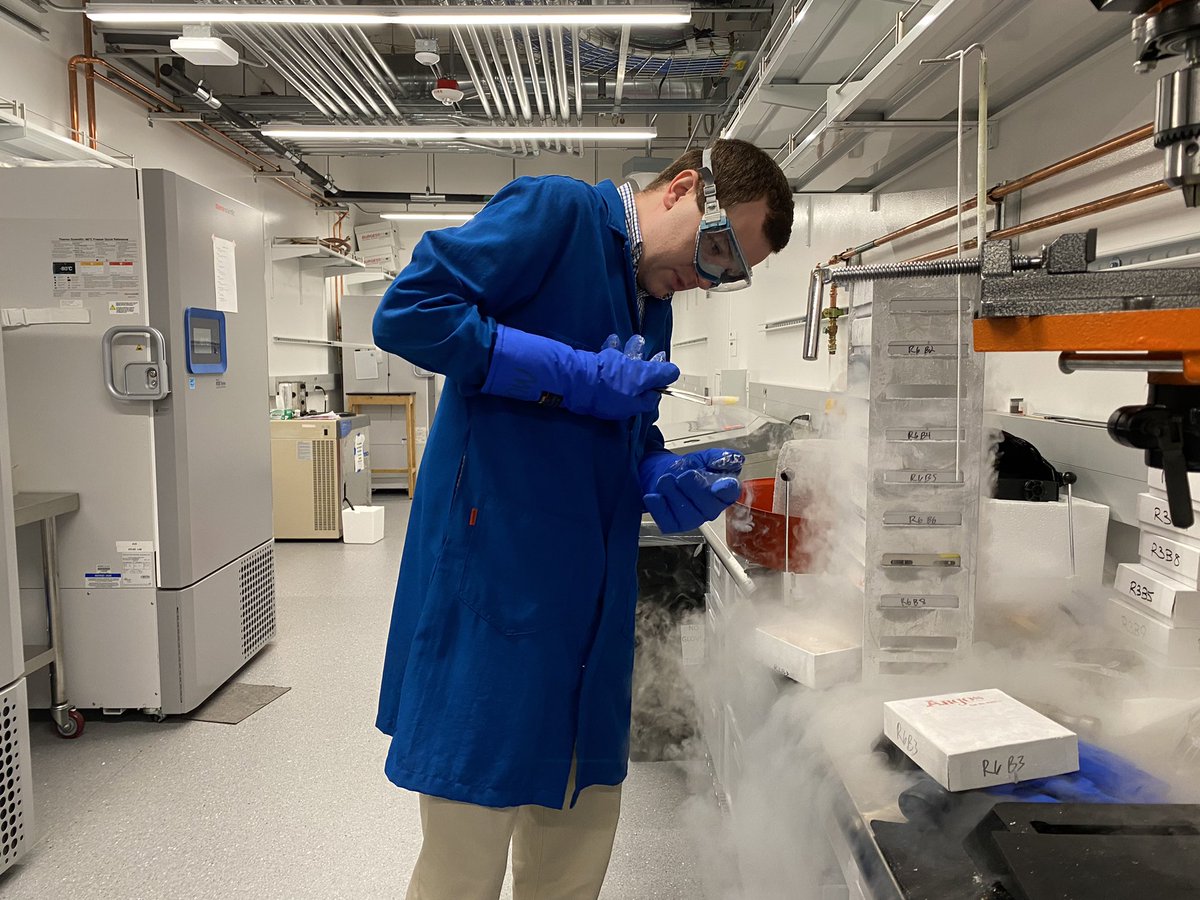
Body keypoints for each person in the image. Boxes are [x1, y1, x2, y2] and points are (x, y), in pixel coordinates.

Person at [373, 138, 794, 900]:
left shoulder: (652, 298)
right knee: (466, 855)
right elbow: (409, 313)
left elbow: (623, 424)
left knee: (576, 845)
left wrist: (658, 472)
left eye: (730, 275)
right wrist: (568, 373)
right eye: (718, 248)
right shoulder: (556, 212)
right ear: (684, 190)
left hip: (589, 612)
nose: (707, 278)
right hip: (497, 589)